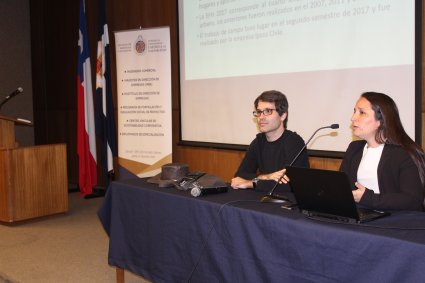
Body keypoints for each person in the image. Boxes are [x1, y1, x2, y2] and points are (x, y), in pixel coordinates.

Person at [340, 92, 425, 211]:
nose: (353, 118)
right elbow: (343, 188)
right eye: (355, 111)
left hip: (397, 222)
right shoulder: (354, 148)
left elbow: (412, 200)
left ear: (381, 120)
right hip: (361, 216)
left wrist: (368, 198)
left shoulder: (404, 153)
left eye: (362, 112)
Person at [231, 90, 309, 191]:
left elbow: (289, 184)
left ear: (282, 116)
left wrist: (251, 183)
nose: (261, 117)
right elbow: (240, 175)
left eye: (268, 111)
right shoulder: (258, 141)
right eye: (259, 112)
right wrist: (266, 177)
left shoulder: (294, 142)